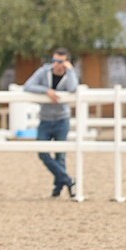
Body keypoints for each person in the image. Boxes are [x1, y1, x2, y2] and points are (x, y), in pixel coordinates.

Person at [23, 48, 79, 197]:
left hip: (62, 119)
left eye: (60, 61)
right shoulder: (44, 71)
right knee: (43, 152)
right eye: (54, 60)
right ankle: (69, 181)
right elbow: (28, 86)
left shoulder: (69, 75)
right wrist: (46, 91)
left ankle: (57, 189)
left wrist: (71, 71)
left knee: (60, 155)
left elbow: (73, 88)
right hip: (45, 119)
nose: (57, 64)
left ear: (67, 62)